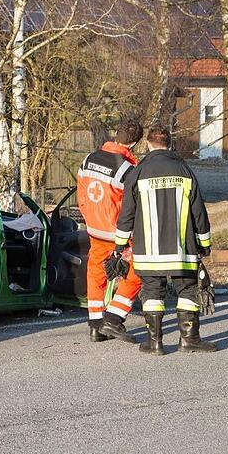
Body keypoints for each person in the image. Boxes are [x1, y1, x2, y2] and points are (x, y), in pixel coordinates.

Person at [109, 125, 215, 355]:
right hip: (181, 247)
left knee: (152, 292)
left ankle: (154, 343)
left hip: (148, 249)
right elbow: (199, 212)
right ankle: (189, 340)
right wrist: (204, 244)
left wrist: (120, 245)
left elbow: (126, 213)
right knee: (187, 290)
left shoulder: (138, 172)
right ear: (170, 144)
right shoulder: (184, 171)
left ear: (148, 144)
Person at [76, 119, 144, 343]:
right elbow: (132, 205)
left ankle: (95, 325)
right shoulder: (127, 169)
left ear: (116, 135)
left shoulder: (88, 160)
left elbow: (82, 195)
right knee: (137, 272)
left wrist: (88, 217)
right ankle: (114, 317)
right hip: (118, 233)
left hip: (95, 228)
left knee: (96, 274)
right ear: (133, 144)